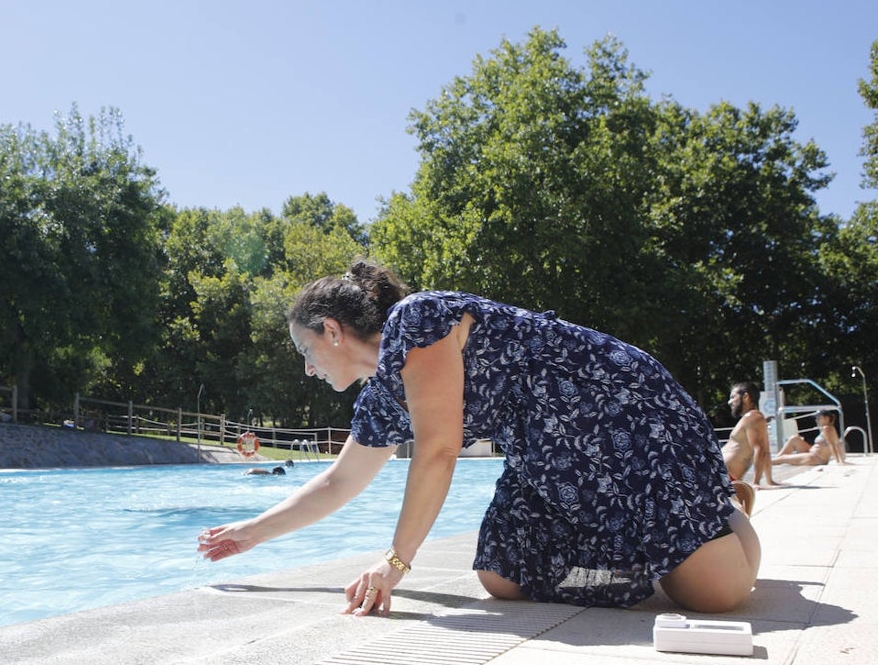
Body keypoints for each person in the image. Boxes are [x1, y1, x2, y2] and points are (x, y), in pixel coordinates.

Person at [198, 259, 760, 616]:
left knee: (715, 596)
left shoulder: (417, 321)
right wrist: (250, 534)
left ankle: (724, 505)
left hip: (622, 417)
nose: (307, 370)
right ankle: (671, 539)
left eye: (305, 352)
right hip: (549, 455)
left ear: (333, 332)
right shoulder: (380, 399)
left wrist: (395, 561)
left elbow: (439, 451)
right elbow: (340, 481)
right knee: (502, 573)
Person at [721, 381, 779, 515]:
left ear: (746, 397)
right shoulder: (754, 418)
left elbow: (760, 449)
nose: (730, 402)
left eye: (733, 397)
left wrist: (756, 482)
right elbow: (766, 450)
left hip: (725, 477)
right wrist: (769, 480)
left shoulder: (753, 417)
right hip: (724, 476)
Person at [772, 410, 848, 466]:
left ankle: (767, 462)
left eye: (819, 418)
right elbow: (837, 444)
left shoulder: (826, 429)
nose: (816, 420)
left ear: (826, 418)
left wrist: (838, 461)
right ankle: (775, 459)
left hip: (815, 457)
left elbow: (832, 445)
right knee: (794, 439)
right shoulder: (830, 428)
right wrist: (841, 459)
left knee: (784, 458)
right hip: (812, 453)